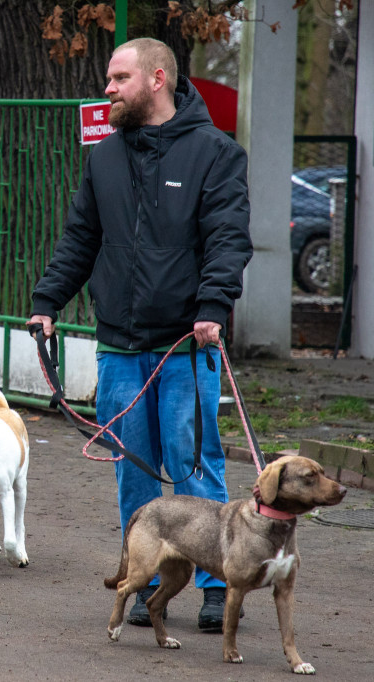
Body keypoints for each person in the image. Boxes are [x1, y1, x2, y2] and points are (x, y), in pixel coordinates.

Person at [27, 38, 253, 631]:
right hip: (120, 345)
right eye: (109, 78)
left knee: (192, 464)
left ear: (157, 79)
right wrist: (47, 300)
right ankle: (143, 575)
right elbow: (81, 238)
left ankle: (214, 582)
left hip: (185, 343)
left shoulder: (215, 154)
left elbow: (228, 240)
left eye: (119, 78)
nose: (108, 89)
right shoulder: (104, 156)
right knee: (133, 465)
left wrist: (212, 306)